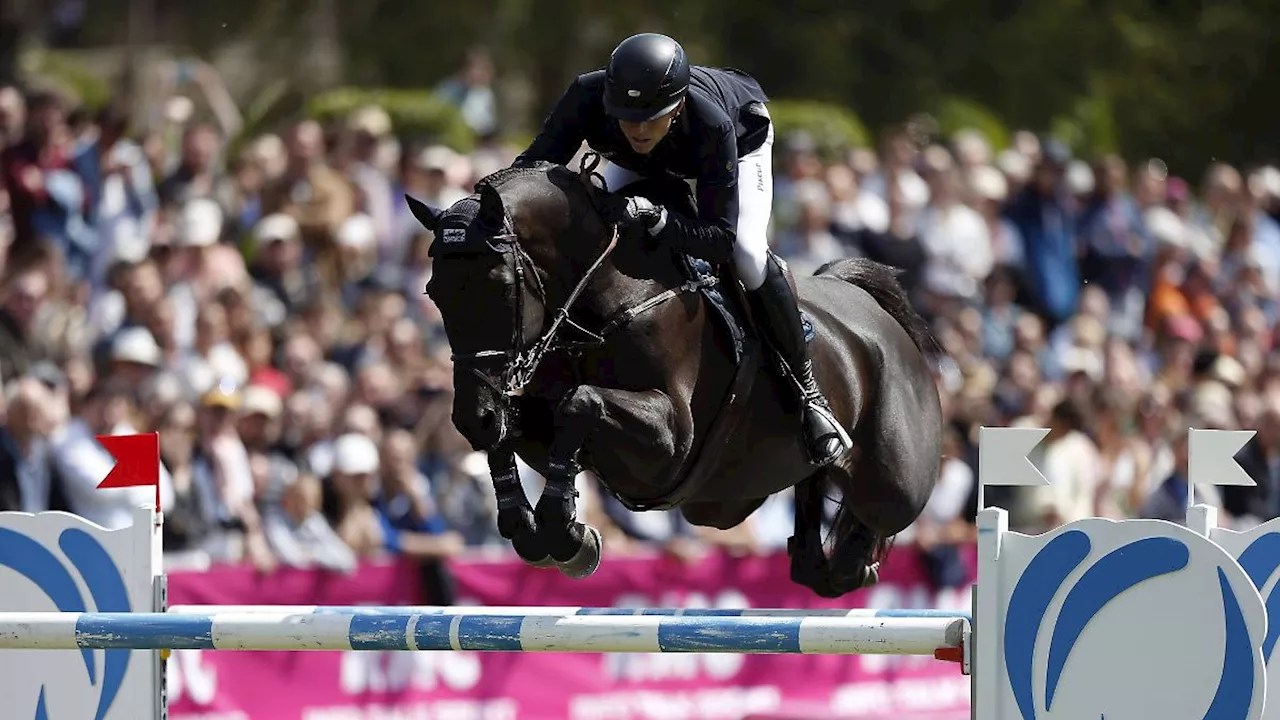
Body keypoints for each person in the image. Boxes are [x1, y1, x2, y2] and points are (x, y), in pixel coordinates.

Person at [513, 33, 850, 466]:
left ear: (677, 106)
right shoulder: (587, 94)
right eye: (625, 117)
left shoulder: (713, 124)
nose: (635, 129)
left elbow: (719, 238)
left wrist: (658, 219)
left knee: (747, 254)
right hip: (656, 155)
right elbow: (533, 167)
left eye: (648, 118)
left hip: (740, 139)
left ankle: (809, 393)